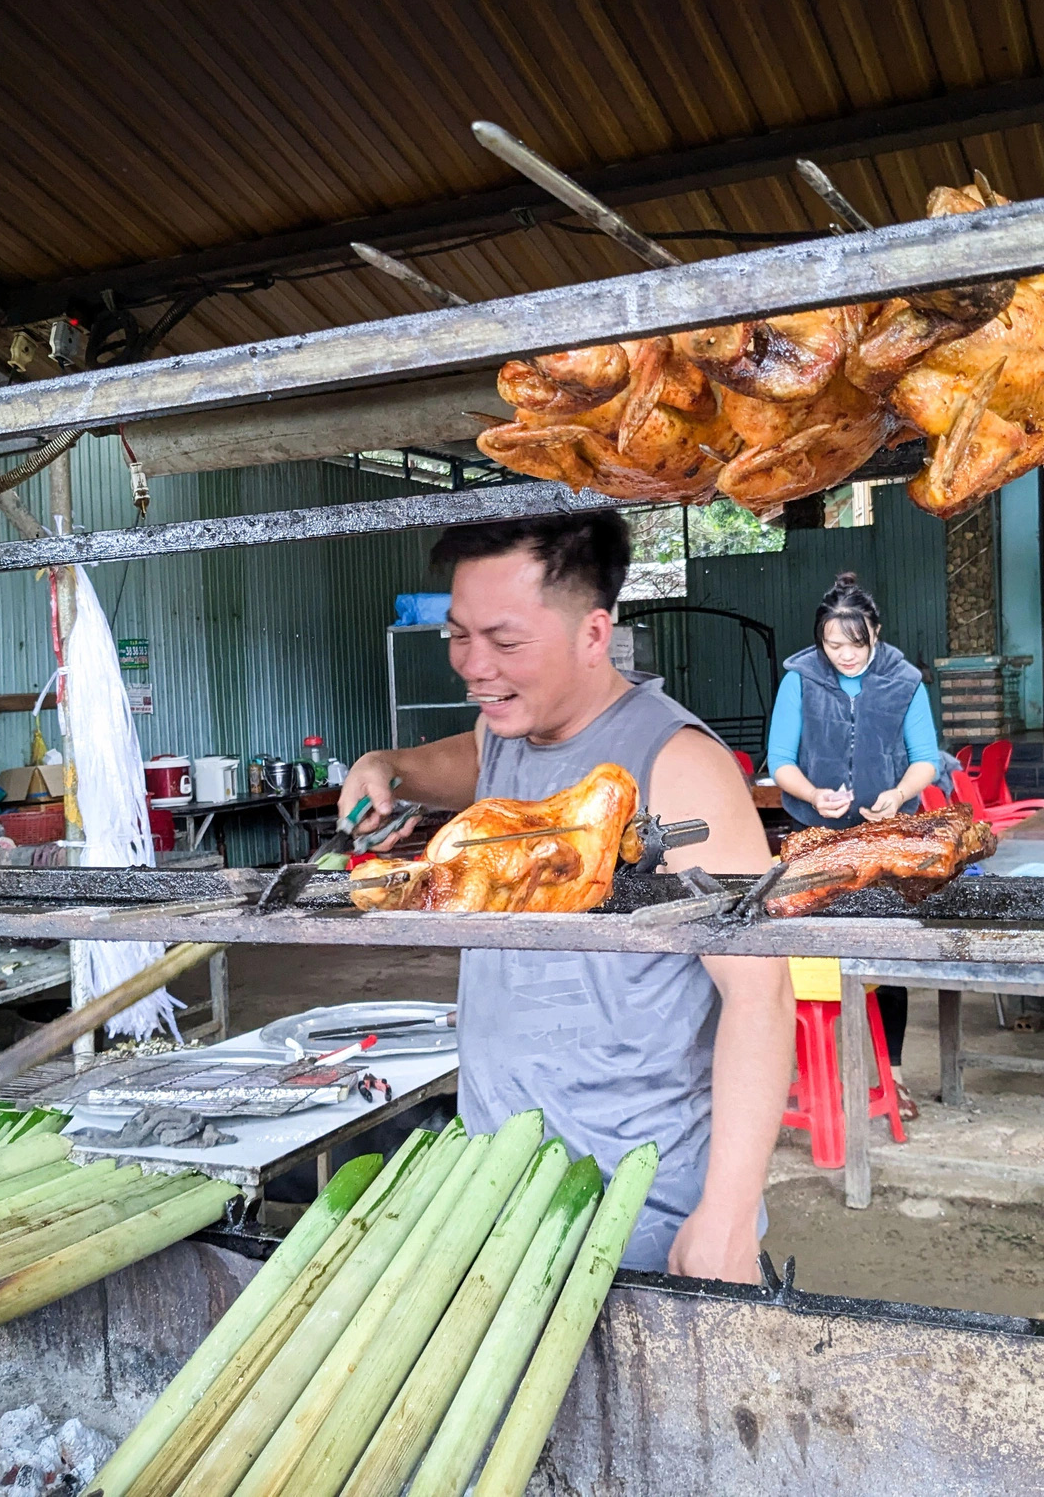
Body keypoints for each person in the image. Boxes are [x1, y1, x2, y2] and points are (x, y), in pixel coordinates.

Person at [340, 512, 793, 1281]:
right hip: (503, 1185)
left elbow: (761, 996)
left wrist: (725, 1213)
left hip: (639, 1205)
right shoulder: (508, 734)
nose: (474, 666)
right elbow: (468, 756)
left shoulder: (674, 766)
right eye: (459, 636)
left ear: (594, 634)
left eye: (506, 641)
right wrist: (390, 765)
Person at [766, 570, 941, 1119]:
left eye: (855, 643)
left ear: (877, 631)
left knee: (882, 956)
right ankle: (801, 1071)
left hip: (882, 838)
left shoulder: (905, 680)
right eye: (832, 644)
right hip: (813, 838)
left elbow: (926, 760)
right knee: (807, 956)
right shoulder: (800, 676)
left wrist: (899, 793)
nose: (842, 655)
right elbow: (780, 761)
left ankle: (893, 1077)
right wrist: (814, 793)